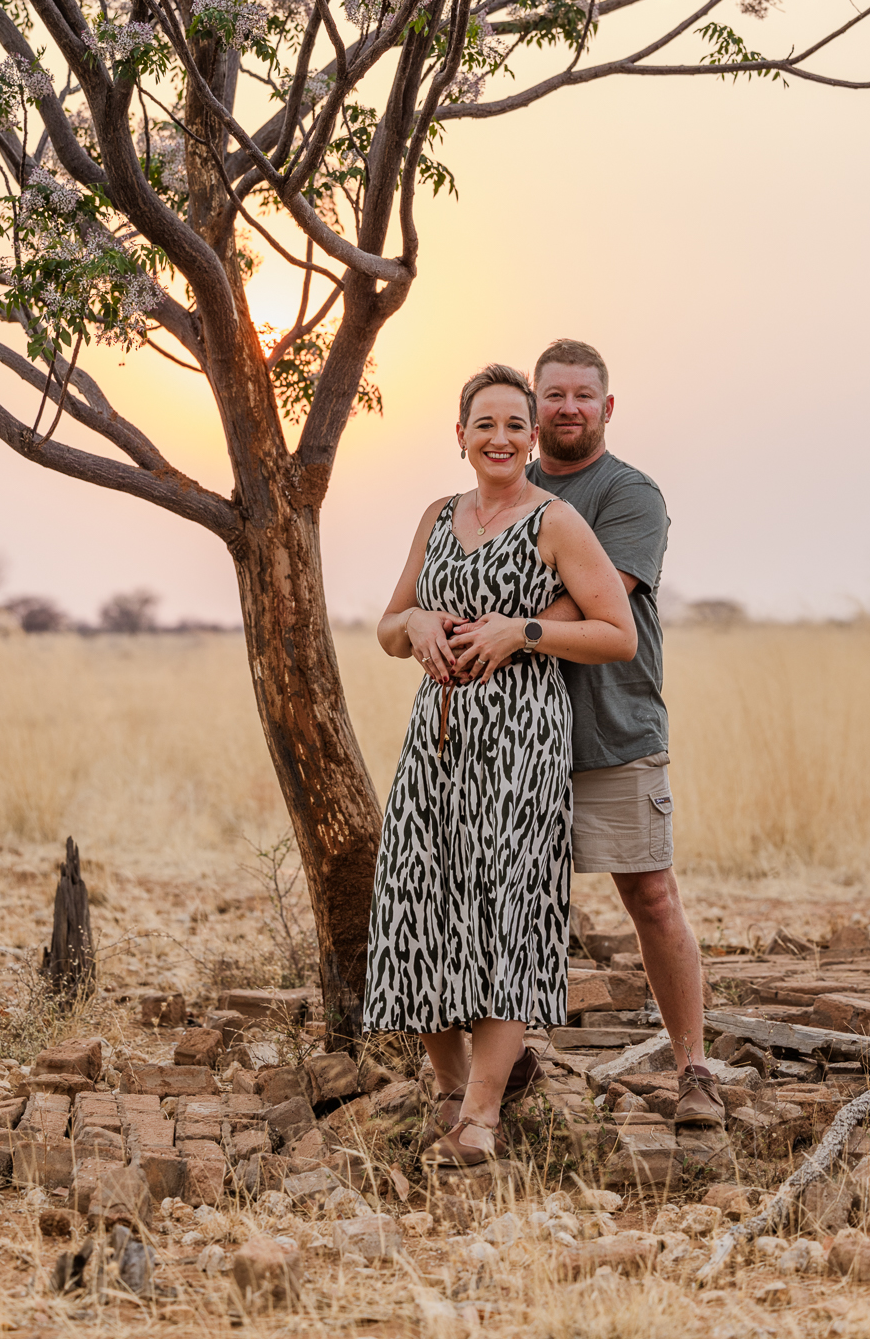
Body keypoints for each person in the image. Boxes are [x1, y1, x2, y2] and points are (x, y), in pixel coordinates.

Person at [365, 362, 637, 1168]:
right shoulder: (437, 516)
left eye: (514, 425)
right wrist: (412, 620)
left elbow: (615, 631)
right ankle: (447, 1094)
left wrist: (520, 632)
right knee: (420, 905)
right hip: (435, 743)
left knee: (507, 914)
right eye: (484, 424)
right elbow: (383, 628)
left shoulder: (554, 521)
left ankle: (482, 1116)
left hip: (521, 743)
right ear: (460, 436)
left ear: (529, 438)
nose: (500, 438)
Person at [526, 339, 724, 1130]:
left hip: (614, 725)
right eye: (553, 395)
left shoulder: (630, 493)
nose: (567, 407)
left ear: (606, 409)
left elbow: (599, 599)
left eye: (582, 395)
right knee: (520, 902)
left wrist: (512, 628)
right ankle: (512, 1067)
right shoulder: (505, 488)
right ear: (532, 405)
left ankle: (695, 1069)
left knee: (649, 894)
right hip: (517, 734)